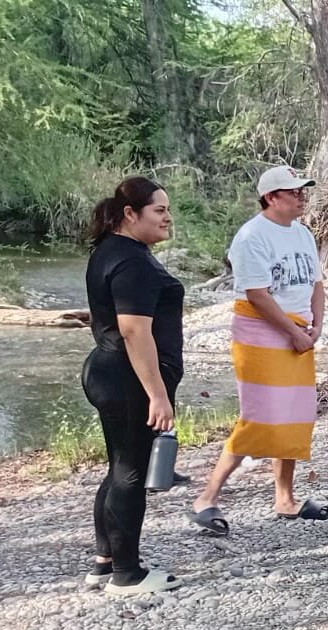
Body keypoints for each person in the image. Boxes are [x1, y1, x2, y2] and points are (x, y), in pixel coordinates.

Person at [190, 166, 328, 534]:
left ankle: (285, 498)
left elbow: (316, 284)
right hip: (261, 332)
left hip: (298, 329)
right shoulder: (252, 236)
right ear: (271, 197)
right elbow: (257, 294)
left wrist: (316, 325)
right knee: (261, 415)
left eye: (302, 191)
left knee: (295, 413)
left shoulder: (302, 233)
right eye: (293, 191)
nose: (301, 197)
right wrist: (293, 332)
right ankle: (207, 497)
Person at [82, 177, 185, 595]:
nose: (167, 217)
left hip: (110, 372)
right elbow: (133, 331)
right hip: (128, 379)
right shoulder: (131, 262)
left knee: (120, 466)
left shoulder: (111, 252)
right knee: (130, 472)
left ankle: (105, 562)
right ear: (130, 214)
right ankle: (127, 575)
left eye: (168, 209)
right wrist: (157, 394)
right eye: (159, 210)